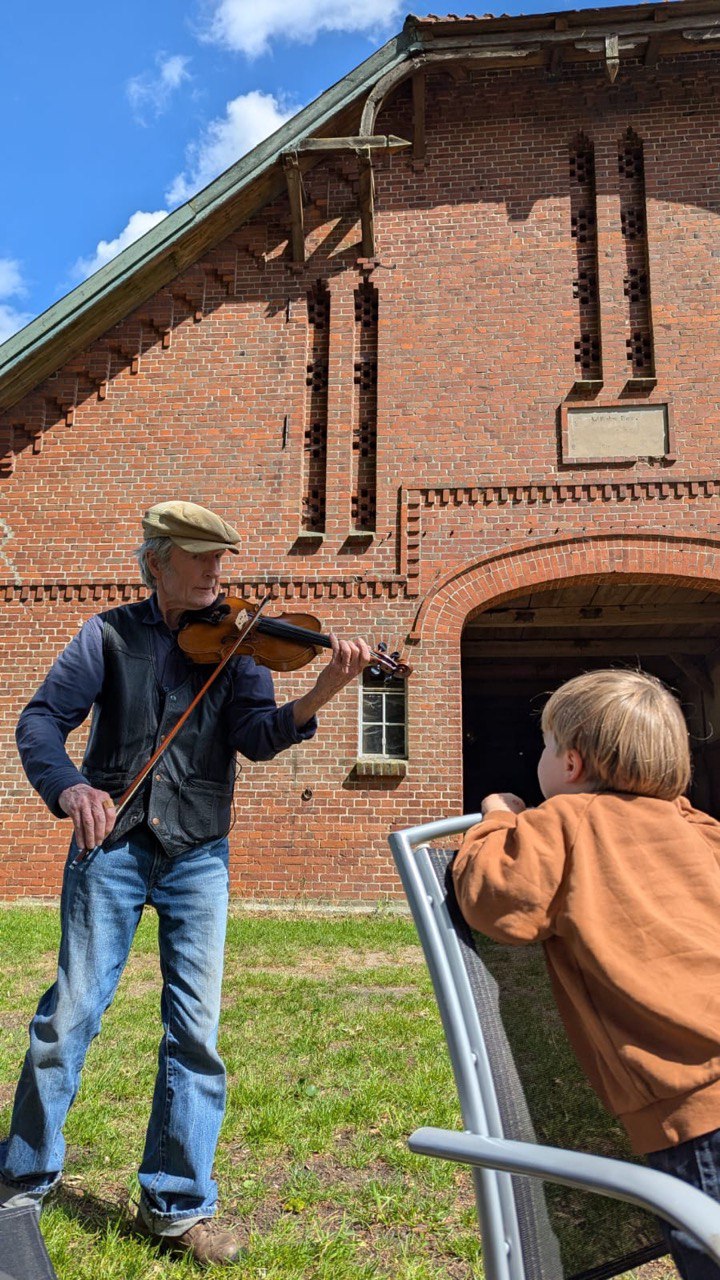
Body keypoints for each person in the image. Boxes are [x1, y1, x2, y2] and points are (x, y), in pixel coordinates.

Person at [0, 500, 373, 1266]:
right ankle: (22, 1175)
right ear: (157, 561)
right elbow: (40, 723)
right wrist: (71, 788)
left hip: (199, 852)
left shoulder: (241, 649)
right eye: (200, 558)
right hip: (113, 847)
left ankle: (175, 1204)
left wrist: (321, 694)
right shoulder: (104, 634)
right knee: (70, 1015)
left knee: (195, 1031)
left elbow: (257, 739)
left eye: (220, 560)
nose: (216, 573)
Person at [452, 668, 720, 1280]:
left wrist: (498, 818)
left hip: (693, 1102)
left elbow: (498, 902)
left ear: (569, 765)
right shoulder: (697, 828)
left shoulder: (562, 823)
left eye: (544, 748)